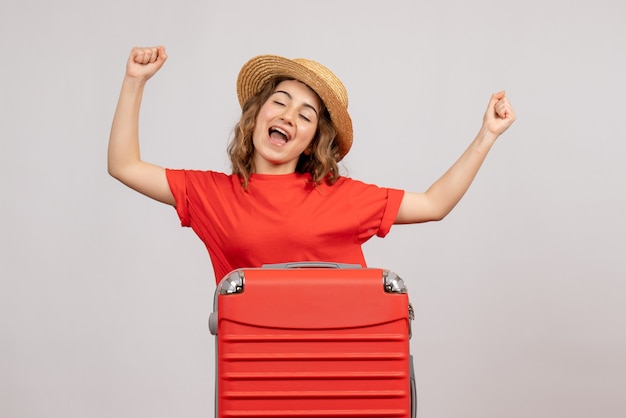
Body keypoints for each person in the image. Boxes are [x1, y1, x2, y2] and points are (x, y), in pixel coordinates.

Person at [108, 46, 516, 283]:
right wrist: (134, 80)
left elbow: (434, 204)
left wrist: (487, 135)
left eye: (305, 115)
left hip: (343, 369)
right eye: (280, 102)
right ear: (257, 115)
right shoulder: (211, 195)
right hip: (256, 375)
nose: (288, 116)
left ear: (312, 141)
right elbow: (124, 165)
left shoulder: (343, 199)